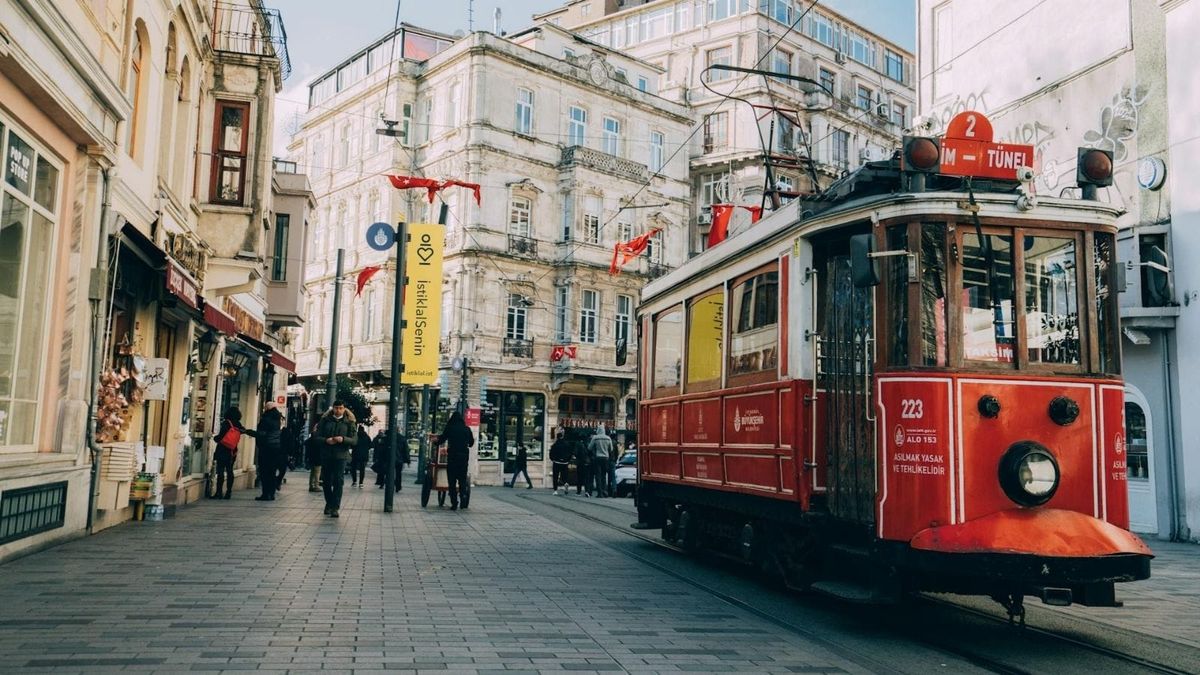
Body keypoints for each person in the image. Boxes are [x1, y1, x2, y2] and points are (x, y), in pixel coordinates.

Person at [314, 400, 356, 517]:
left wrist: (343, 439)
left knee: (338, 481)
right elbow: (316, 436)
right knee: (326, 482)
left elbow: (354, 440)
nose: (338, 410)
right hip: (327, 455)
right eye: (336, 408)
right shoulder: (325, 420)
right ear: (332, 408)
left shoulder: (349, 422)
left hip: (341, 455)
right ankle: (329, 503)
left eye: (340, 408)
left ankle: (335, 507)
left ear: (344, 409)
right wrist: (325, 440)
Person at [245, 402, 285, 501]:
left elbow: (261, 434)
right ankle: (271, 494)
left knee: (265, 472)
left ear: (267, 409)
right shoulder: (278, 419)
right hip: (276, 448)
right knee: (272, 472)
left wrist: (248, 431)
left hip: (266, 449)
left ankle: (265, 494)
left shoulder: (266, 419)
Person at [434, 411, 474, 510]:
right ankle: (463, 499)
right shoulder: (467, 429)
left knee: (451, 481)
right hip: (463, 457)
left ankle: (454, 503)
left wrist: (436, 442)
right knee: (462, 479)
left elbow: (441, 440)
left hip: (453, 457)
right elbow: (471, 443)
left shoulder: (450, 428)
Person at [211, 407, 244, 499]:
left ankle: (219, 492)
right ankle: (228, 492)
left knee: (220, 470)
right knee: (230, 471)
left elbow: (221, 436)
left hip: (222, 449)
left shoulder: (226, 423)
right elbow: (242, 431)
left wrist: (215, 438)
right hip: (232, 450)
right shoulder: (238, 424)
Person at [589, 427, 614, 498]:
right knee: (603, 475)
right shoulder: (608, 438)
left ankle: (600, 493)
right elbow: (611, 449)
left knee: (598, 476)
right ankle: (604, 491)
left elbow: (589, 447)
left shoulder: (595, 438)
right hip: (606, 458)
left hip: (597, 458)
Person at [305, 421, 323, 492]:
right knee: (317, 471)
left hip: (312, 456)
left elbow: (306, 443)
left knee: (313, 471)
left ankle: (311, 485)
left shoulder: (312, 436)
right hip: (317, 456)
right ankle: (316, 485)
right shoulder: (318, 436)